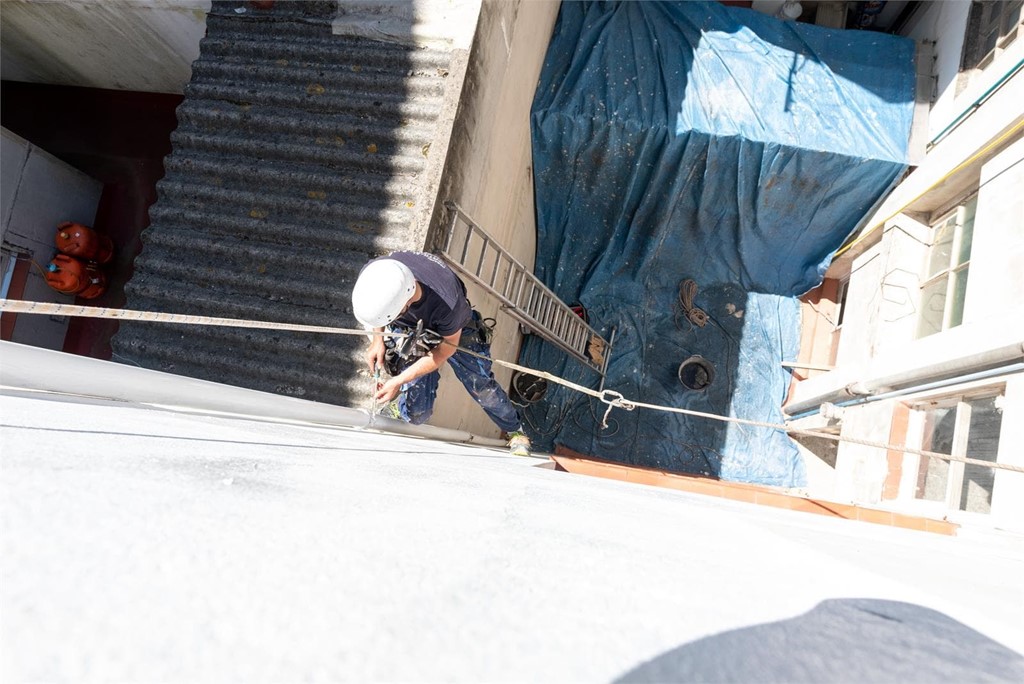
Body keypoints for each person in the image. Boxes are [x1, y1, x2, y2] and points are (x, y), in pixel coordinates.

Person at [351, 251, 531, 457]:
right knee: (418, 413)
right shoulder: (380, 273)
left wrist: (399, 381)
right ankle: (402, 410)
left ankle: (514, 429)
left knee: (480, 385)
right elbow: (381, 314)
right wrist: (377, 340)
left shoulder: (448, 304)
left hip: (454, 332)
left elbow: (445, 350)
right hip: (415, 327)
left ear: (406, 303)